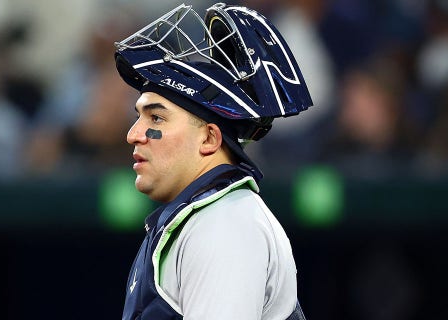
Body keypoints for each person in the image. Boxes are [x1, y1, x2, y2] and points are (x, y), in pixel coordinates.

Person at [114, 3, 312, 319]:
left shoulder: (224, 222)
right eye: (138, 116)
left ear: (209, 139)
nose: (134, 134)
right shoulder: (202, 218)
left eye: (156, 118)